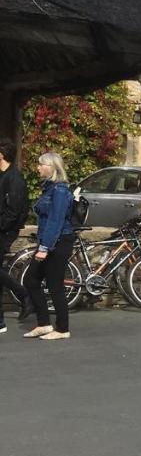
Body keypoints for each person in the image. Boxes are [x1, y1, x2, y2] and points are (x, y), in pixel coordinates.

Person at [23, 152, 75, 341]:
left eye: (41, 164)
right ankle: (44, 324)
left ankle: (62, 329)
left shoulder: (60, 191)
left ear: (52, 167)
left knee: (55, 285)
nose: (37, 167)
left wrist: (44, 248)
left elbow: (56, 221)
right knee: (31, 280)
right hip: (49, 240)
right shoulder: (50, 188)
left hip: (59, 241)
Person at [0, 139, 32, 333]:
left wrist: (3, 226)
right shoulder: (3, 176)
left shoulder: (15, 179)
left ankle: (25, 294)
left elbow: (14, 211)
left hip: (5, 231)